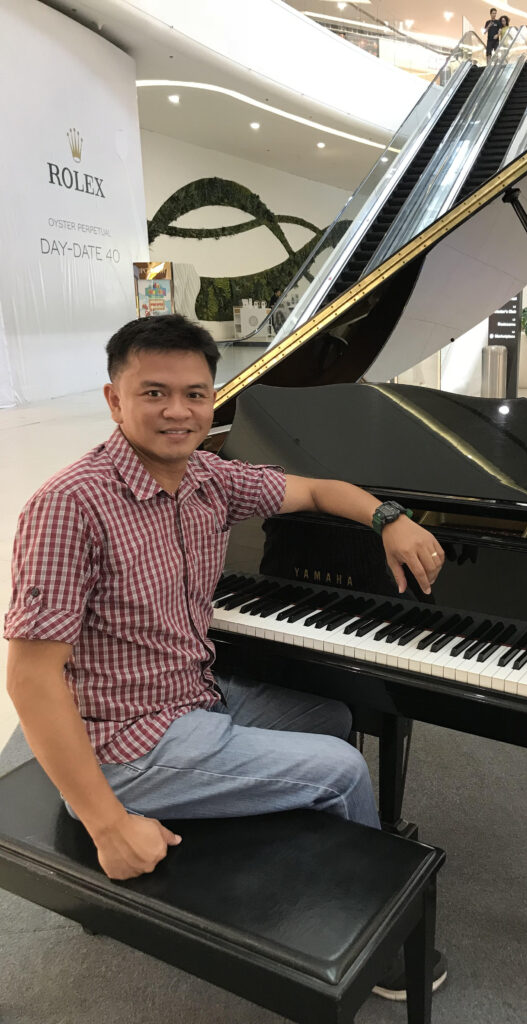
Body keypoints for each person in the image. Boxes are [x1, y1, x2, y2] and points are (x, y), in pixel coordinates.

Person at [4, 315, 448, 995]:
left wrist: (390, 518)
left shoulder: (207, 478)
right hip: (126, 746)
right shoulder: (70, 507)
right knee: (342, 769)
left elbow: (316, 490)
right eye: (154, 393)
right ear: (114, 400)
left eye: (195, 394)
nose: (178, 411)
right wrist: (107, 824)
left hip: (196, 698)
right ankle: (377, 941)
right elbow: (30, 679)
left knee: (332, 715)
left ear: (214, 399)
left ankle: (299, 851)